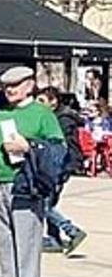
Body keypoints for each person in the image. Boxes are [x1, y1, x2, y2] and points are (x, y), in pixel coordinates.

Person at [0, 67, 65, 277]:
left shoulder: (42, 114)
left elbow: (58, 149)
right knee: (5, 238)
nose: (10, 90)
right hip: (2, 180)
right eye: (6, 86)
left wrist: (28, 146)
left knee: (27, 240)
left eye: (15, 85)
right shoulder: (2, 114)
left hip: (26, 184)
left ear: (30, 85)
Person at [40, 89, 88, 257]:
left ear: (53, 102)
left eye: (42, 100)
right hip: (56, 165)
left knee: (43, 205)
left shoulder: (63, 120)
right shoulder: (55, 117)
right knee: (49, 203)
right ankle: (54, 239)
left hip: (61, 166)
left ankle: (72, 231)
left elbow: (60, 146)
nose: (39, 105)